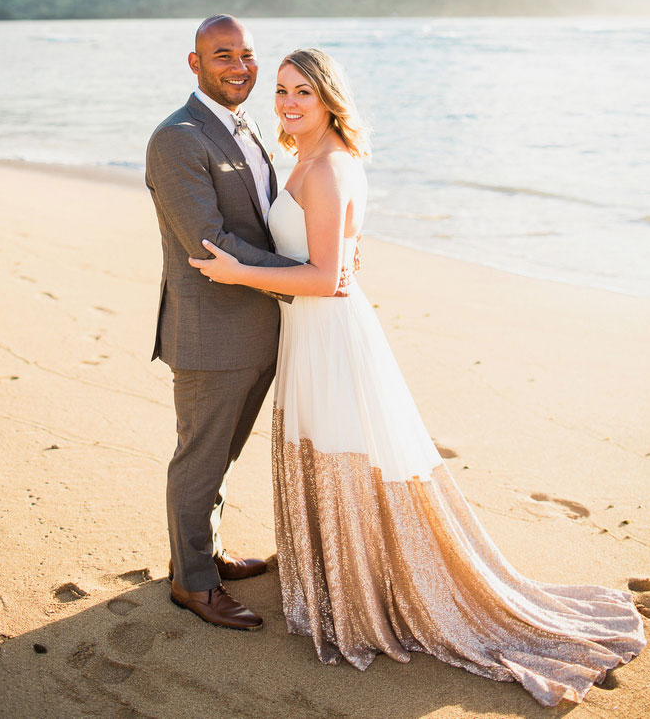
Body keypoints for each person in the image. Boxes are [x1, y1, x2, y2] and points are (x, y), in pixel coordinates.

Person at [189, 47, 646, 706]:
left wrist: (240, 274)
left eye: (303, 93)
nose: (288, 102)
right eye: (283, 90)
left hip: (332, 333)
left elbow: (328, 278)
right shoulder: (310, 158)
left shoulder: (331, 167)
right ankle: (342, 571)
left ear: (328, 99)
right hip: (309, 332)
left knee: (347, 450)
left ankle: (370, 588)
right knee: (329, 447)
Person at [145, 14, 301, 632]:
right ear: (195, 63)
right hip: (211, 332)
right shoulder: (178, 137)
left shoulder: (246, 125)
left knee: (222, 458)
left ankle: (203, 557)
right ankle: (193, 585)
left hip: (258, 324)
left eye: (246, 54)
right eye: (222, 55)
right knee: (199, 461)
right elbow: (208, 243)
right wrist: (303, 274)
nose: (239, 66)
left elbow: (260, 215)